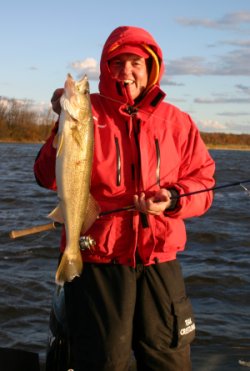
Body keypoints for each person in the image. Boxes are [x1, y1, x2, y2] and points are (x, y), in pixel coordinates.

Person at [34, 26, 215, 371]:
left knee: (169, 361)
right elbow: (44, 175)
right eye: (117, 63)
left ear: (151, 68)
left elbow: (203, 182)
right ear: (105, 68)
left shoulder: (178, 122)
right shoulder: (87, 112)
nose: (127, 72)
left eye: (136, 63)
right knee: (101, 362)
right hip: (98, 260)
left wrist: (174, 198)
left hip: (159, 262)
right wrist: (60, 121)